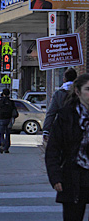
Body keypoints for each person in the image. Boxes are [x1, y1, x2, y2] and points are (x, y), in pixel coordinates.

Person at [45, 73, 89, 221]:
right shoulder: (66, 115)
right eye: (88, 89)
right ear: (78, 91)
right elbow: (53, 149)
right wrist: (55, 177)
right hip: (73, 177)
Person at [44, 68, 78, 141]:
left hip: (62, 127)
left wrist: (46, 130)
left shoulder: (58, 94)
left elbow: (51, 113)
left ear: (64, 79)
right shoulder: (80, 92)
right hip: (78, 127)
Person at [0, 88, 18, 154]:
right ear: (9, 94)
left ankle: (2, 144)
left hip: (1, 119)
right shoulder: (11, 102)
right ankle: (6, 148)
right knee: (8, 134)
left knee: (1, 133)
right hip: (9, 119)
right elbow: (15, 112)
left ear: (3, 93)